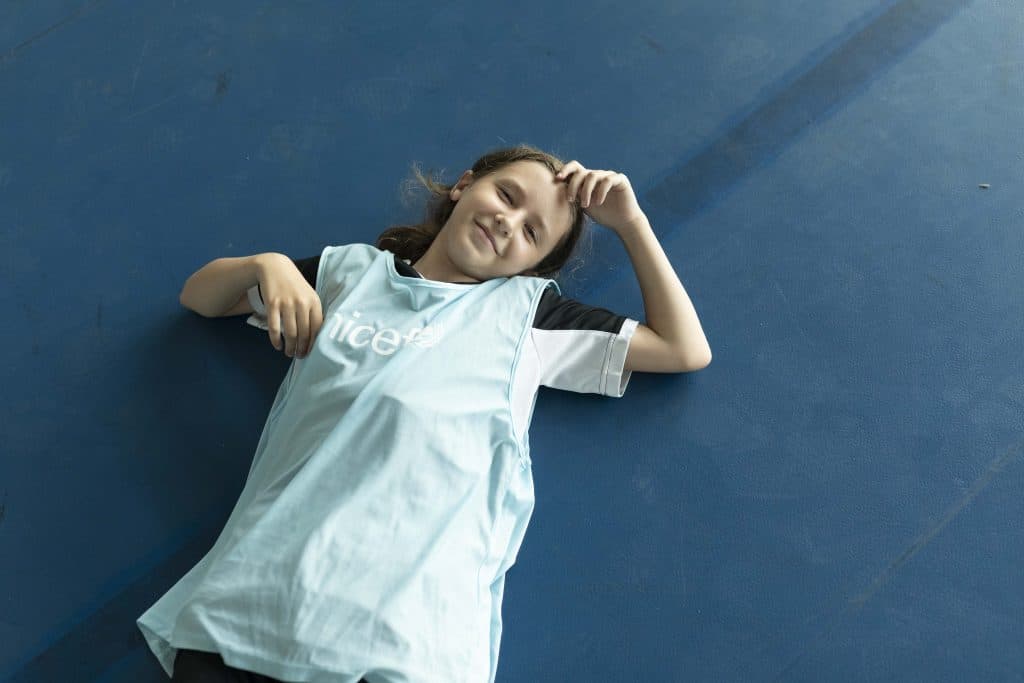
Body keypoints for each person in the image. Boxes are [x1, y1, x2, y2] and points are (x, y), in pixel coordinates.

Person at [138, 144, 712, 683]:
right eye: (507, 196)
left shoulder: (529, 319)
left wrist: (630, 223)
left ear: (534, 267)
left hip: (400, 645)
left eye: (532, 232)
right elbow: (200, 297)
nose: (508, 222)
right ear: (464, 185)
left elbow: (683, 348)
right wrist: (268, 266)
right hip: (250, 614)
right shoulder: (347, 275)